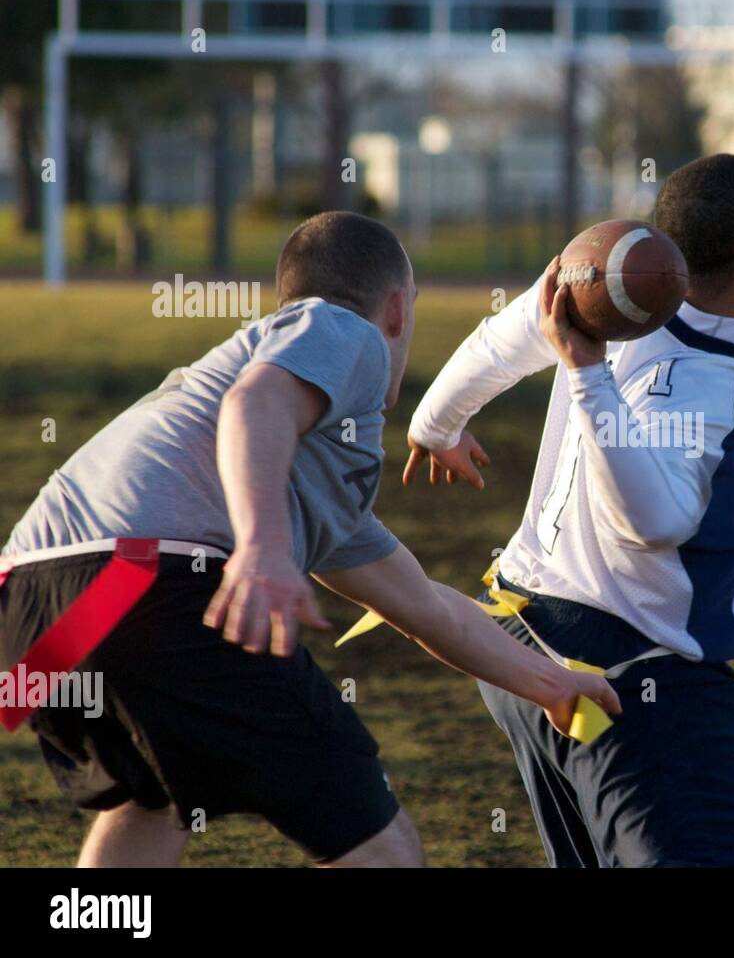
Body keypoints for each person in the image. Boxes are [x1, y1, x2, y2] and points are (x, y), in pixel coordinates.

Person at [0, 211, 617, 868]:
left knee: (148, 804)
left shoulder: (314, 483)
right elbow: (255, 404)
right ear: (398, 309)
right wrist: (262, 547)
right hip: (152, 580)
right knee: (384, 851)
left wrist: (550, 683)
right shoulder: (346, 328)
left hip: (32, 619)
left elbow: (427, 612)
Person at [405, 155, 734, 867]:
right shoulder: (713, 384)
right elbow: (653, 522)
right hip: (630, 675)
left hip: (520, 645)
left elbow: (503, 340)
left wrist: (435, 424)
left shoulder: (604, 290)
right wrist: (586, 377)